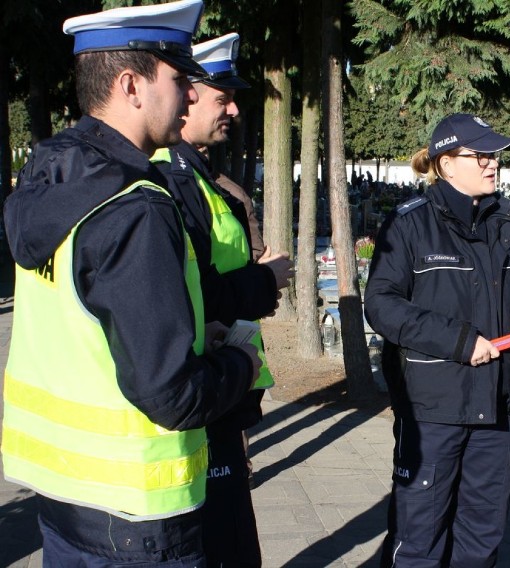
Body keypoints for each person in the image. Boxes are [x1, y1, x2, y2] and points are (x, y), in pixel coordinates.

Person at [1, 1, 265, 565]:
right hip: (138, 516)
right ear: (131, 85)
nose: (192, 95)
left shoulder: (53, 172)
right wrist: (238, 366)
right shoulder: (135, 207)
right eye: (178, 79)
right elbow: (171, 393)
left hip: (63, 496)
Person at [364, 113, 510, 568]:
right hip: (435, 407)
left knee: (481, 537)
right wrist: (460, 341)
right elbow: (382, 305)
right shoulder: (410, 225)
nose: (493, 164)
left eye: (495, 156)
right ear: (446, 164)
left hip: (500, 402)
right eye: (481, 155)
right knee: (420, 539)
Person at [151, 32, 294, 567]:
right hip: (203, 387)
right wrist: (265, 281)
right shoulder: (171, 180)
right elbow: (191, 292)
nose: (233, 109)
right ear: (185, 96)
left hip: (226, 387)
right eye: (221, 98)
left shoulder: (204, 177)